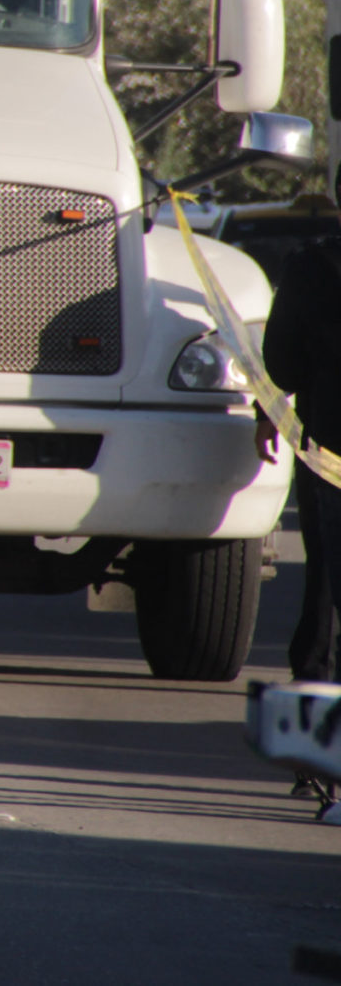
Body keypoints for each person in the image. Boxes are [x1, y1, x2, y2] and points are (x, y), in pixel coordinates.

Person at [260, 224, 341, 805]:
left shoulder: (314, 266)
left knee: (326, 595)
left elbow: (281, 363)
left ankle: (317, 762)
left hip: (332, 456)